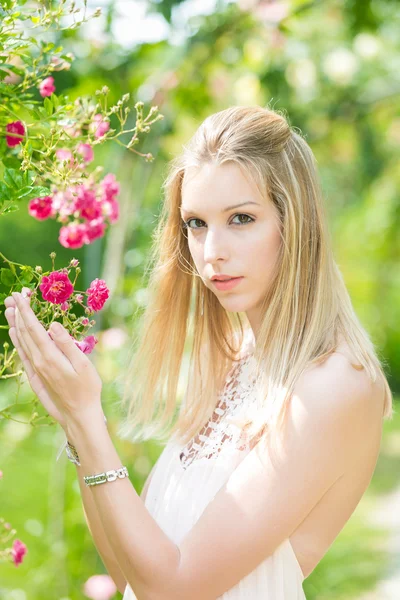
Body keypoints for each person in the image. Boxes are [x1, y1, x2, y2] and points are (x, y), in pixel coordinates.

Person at [5, 105, 394, 599]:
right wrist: (75, 423)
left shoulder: (332, 386)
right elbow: (131, 572)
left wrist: (88, 418)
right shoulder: (234, 361)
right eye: (196, 223)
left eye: (241, 218)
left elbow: (174, 590)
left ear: (295, 225)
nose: (212, 251)